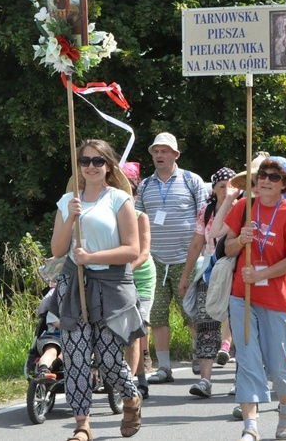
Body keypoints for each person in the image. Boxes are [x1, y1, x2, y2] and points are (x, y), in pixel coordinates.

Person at [51, 139, 145, 440]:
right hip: (74, 285)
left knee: (107, 360)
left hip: (111, 286)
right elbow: (57, 248)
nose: (91, 166)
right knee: (75, 355)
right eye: (85, 161)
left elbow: (132, 249)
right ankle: (82, 425)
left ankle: (130, 397)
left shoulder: (119, 199)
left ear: (108, 166)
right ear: (78, 166)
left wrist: (91, 258)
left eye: (98, 161)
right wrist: (71, 217)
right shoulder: (68, 201)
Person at [224, 157, 286, 441]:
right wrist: (240, 240)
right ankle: (250, 426)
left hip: (276, 297)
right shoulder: (244, 207)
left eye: (274, 177)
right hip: (242, 296)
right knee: (247, 358)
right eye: (263, 174)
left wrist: (262, 273)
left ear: (285, 185)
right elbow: (225, 247)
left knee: (277, 363)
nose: (265, 180)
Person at [135, 132, 208, 384]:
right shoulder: (145, 185)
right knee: (156, 315)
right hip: (154, 260)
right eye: (155, 151)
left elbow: (204, 216)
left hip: (186, 258)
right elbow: (136, 220)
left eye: (164, 151)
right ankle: (164, 367)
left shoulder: (191, 180)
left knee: (191, 312)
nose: (159, 155)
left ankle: (200, 355)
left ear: (176, 155)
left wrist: (202, 253)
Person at [178, 167, 237, 397]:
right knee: (205, 324)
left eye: (231, 186)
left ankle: (240, 378)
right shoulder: (207, 210)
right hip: (211, 272)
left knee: (241, 322)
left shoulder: (245, 209)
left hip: (238, 272)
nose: (226, 190)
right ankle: (205, 380)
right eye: (222, 186)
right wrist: (186, 276)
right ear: (213, 189)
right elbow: (197, 244)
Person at [121, 161, 156, 399]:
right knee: (119, 330)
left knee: (137, 327)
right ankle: (129, 378)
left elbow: (143, 253)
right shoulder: (110, 214)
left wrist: (124, 270)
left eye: (131, 191)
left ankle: (136, 382)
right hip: (117, 279)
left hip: (141, 278)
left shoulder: (140, 216)